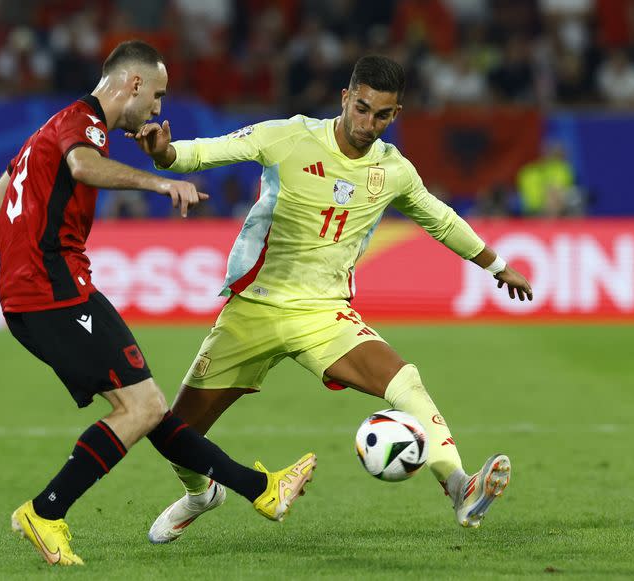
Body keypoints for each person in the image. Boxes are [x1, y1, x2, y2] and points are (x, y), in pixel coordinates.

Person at [0, 40, 315, 566]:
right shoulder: (82, 124)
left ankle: (261, 490)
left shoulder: (47, 132)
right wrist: (161, 183)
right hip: (53, 290)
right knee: (144, 406)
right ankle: (44, 512)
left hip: (43, 293)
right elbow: (85, 167)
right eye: (156, 95)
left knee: (148, 407)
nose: (158, 108)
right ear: (133, 84)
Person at [129, 54, 533, 544]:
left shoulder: (393, 170)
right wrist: (164, 154)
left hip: (324, 314)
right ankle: (201, 494)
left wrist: (495, 264)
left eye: (382, 116)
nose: (368, 124)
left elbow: (440, 219)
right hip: (253, 308)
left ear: (396, 115)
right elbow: (208, 151)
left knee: (404, 380)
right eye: (361, 108)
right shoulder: (289, 137)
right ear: (345, 97)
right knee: (175, 437)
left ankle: (459, 485)